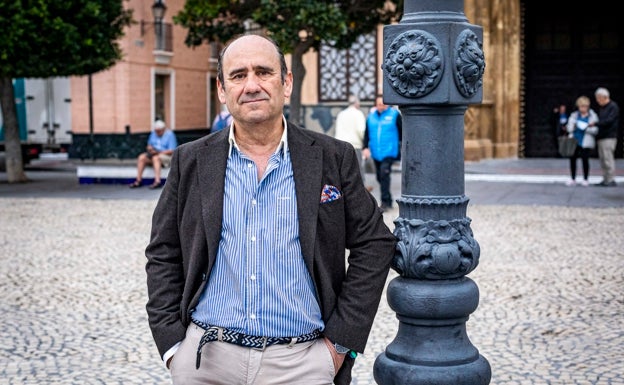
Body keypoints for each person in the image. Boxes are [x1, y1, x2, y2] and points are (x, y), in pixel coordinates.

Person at [145, 34, 397, 385]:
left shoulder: (332, 158)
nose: (251, 85)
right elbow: (163, 251)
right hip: (206, 363)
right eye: (238, 75)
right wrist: (173, 346)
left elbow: (375, 242)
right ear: (222, 89)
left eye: (263, 72)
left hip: (302, 364)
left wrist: (340, 344)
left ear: (286, 82)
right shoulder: (191, 160)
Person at [362, 95, 402, 211]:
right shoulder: (371, 117)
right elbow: (366, 133)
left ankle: (385, 202)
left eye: (383, 104)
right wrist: (365, 147)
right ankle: (388, 199)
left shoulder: (394, 115)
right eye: (379, 104)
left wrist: (401, 145)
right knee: (380, 177)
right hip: (376, 152)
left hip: (389, 151)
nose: (381, 106)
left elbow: (402, 131)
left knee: (384, 175)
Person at [129, 119, 177, 189]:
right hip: (154, 154)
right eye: (156, 131)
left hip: (166, 156)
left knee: (156, 158)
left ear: (163, 129)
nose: (157, 133)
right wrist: (150, 149)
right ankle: (138, 181)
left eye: (159, 131)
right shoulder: (153, 133)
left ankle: (157, 181)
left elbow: (172, 150)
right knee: (141, 157)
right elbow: (149, 145)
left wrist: (158, 152)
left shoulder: (170, 135)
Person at [564, 96, 598, 186]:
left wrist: (586, 127)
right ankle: (573, 178)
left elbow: (596, 130)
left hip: (585, 141)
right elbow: (569, 128)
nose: (583, 108)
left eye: (585, 106)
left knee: (585, 160)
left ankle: (585, 178)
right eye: (581, 106)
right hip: (575, 140)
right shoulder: (574, 115)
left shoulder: (592, 116)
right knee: (572, 160)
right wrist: (574, 126)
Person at [334, 94, 367, 180]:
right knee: (357, 172)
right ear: (356, 103)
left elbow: (337, 130)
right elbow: (361, 131)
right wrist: (365, 144)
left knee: (342, 172)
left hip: (340, 146)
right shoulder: (358, 114)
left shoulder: (341, 114)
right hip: (355, 147)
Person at [591, 87, 620, 187]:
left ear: (604, 97)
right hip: (602, 136)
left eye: (598, 98)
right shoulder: (603, 108)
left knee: (608, 159)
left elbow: (609, 121)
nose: (597, 101)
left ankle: (610, 179)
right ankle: (605, 178)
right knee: (603, 159)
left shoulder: (613, 106)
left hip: (609, 137)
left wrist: (596, 123)